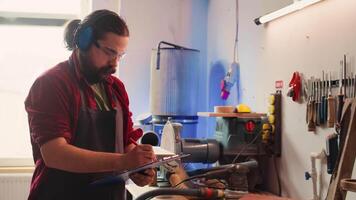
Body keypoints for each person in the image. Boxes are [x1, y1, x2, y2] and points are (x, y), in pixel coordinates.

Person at [25, 9, 156, 200]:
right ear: (83, 41)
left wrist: (138, 166)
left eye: (120, 55)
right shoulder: (52, 84)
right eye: (109, 52)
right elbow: (55, 153)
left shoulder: (116, 88)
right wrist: (122, 161)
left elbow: (125, 142)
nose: (115, 64)